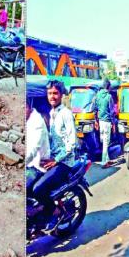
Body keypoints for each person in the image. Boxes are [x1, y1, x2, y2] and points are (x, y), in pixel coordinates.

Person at [32, 80, 77, 228]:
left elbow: (72, 142)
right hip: (52, 159)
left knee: (38, 189)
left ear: (61, 95)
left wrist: (56, 160)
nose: (52, 96)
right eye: (50, 93)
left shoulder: (66, 114)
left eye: (55, 93)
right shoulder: (51, 113)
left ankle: (54, 212)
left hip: (64, 163)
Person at [26, 99, 50, 196]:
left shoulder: (37, 123)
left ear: (30, 107)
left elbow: (33, 149)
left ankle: (52, 209)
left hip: (37, 165)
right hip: (29, 163)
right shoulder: (27, 119)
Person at [92, 79, 117, 168]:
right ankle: (104, 162)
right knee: (106, 142)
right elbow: (112, 112)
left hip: (100, 121)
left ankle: (107, 159)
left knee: (104, 141)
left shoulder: (97, 95)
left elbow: (94, 109)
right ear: (108, 87)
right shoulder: (109, 96)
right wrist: (113, 124)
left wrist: (96, 121)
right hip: (107, 122)